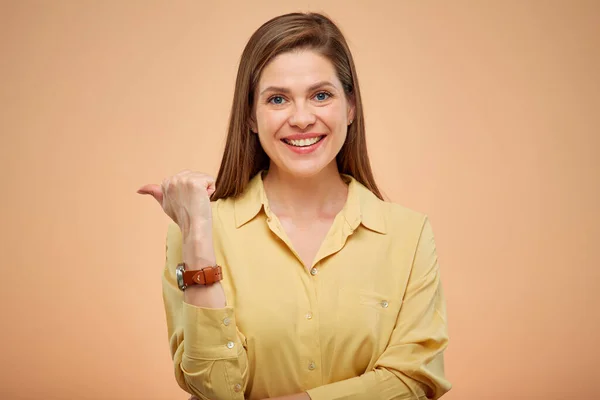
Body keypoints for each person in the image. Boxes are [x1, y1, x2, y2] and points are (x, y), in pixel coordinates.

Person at [138, 12, 451, 400]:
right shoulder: (195, 230)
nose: (302, 118)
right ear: (251, 116)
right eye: (277, 99)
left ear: (350, 107)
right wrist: (199, 237)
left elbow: (414, 380)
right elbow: (212, 388)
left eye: (321, 95)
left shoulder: (409, 234)